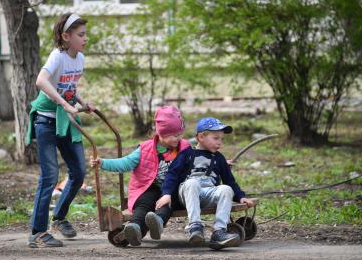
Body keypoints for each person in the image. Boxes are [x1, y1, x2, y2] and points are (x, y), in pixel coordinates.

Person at [25, 13, 95, 248]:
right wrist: (65, 104)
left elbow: (68, 88)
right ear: (66, 36)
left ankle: (59, 218)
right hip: (46, 121)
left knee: (78, 171)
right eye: (80, 34)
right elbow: (41, 81)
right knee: (50, 177)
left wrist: (82, 104)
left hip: (65, 120)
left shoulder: (80, 59)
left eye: (85, 34)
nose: (85, 38)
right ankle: (37, 233)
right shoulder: (58, 56)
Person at [91, 105, 190, 246]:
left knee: (168, 202)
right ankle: (135, 227)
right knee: (144, 202)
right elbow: (125, 163)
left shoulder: (184, 147)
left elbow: (197, 161)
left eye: (181, 134)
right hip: (148, 187)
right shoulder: (145, 149)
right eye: (174, 135)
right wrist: (103, 163)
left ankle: (157, 223)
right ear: (162, 133)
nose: (179, 138)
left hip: (173, 189)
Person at [158, 117, 255, 250]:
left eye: (221, 139)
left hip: (208, 193)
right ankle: (195, 227)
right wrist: (166, 194)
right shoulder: (186, 154)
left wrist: (240, 196)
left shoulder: (219, 158)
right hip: (188, 194)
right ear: (201, 137)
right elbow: (172, 175)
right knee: (192, 183)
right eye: (216, 138)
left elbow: (230, 180)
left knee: (226, 189)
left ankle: (219, 232)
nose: (220, 142)